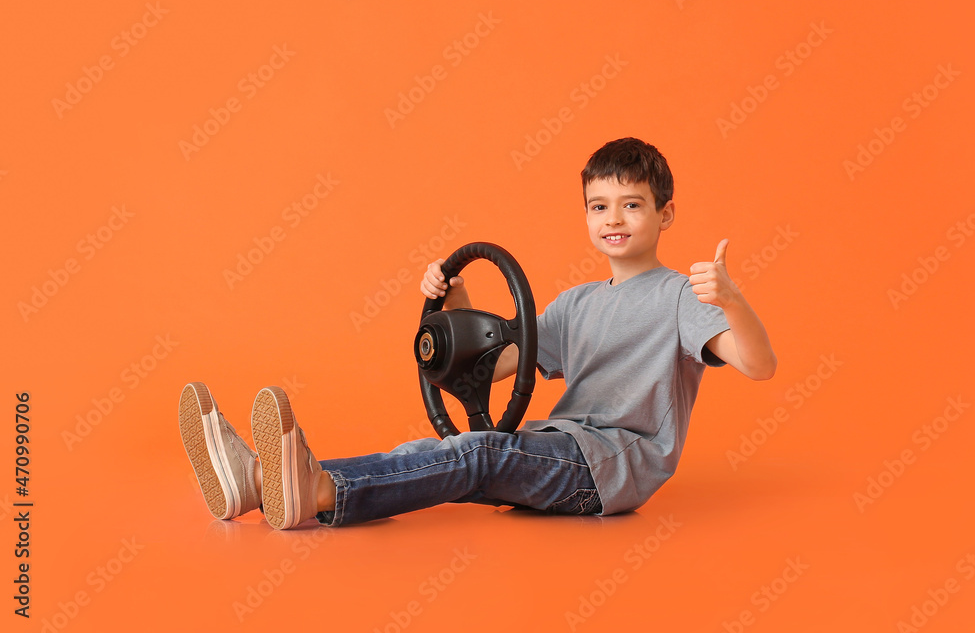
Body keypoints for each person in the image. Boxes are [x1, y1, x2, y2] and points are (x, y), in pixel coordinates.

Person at [178, 137, 777, 530]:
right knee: (437, 454)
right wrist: (454, 303)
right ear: (586, 214)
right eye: (599, 207)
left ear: (664, 214)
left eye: (632, 205)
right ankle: (256, 483)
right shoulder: (576, 305)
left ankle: (311, 488)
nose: (613, 220)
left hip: (607, 471)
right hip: (558, 446)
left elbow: (759, 365)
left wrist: (730, 299)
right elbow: (490, 363)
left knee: (480, 451)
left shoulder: (680, 298)